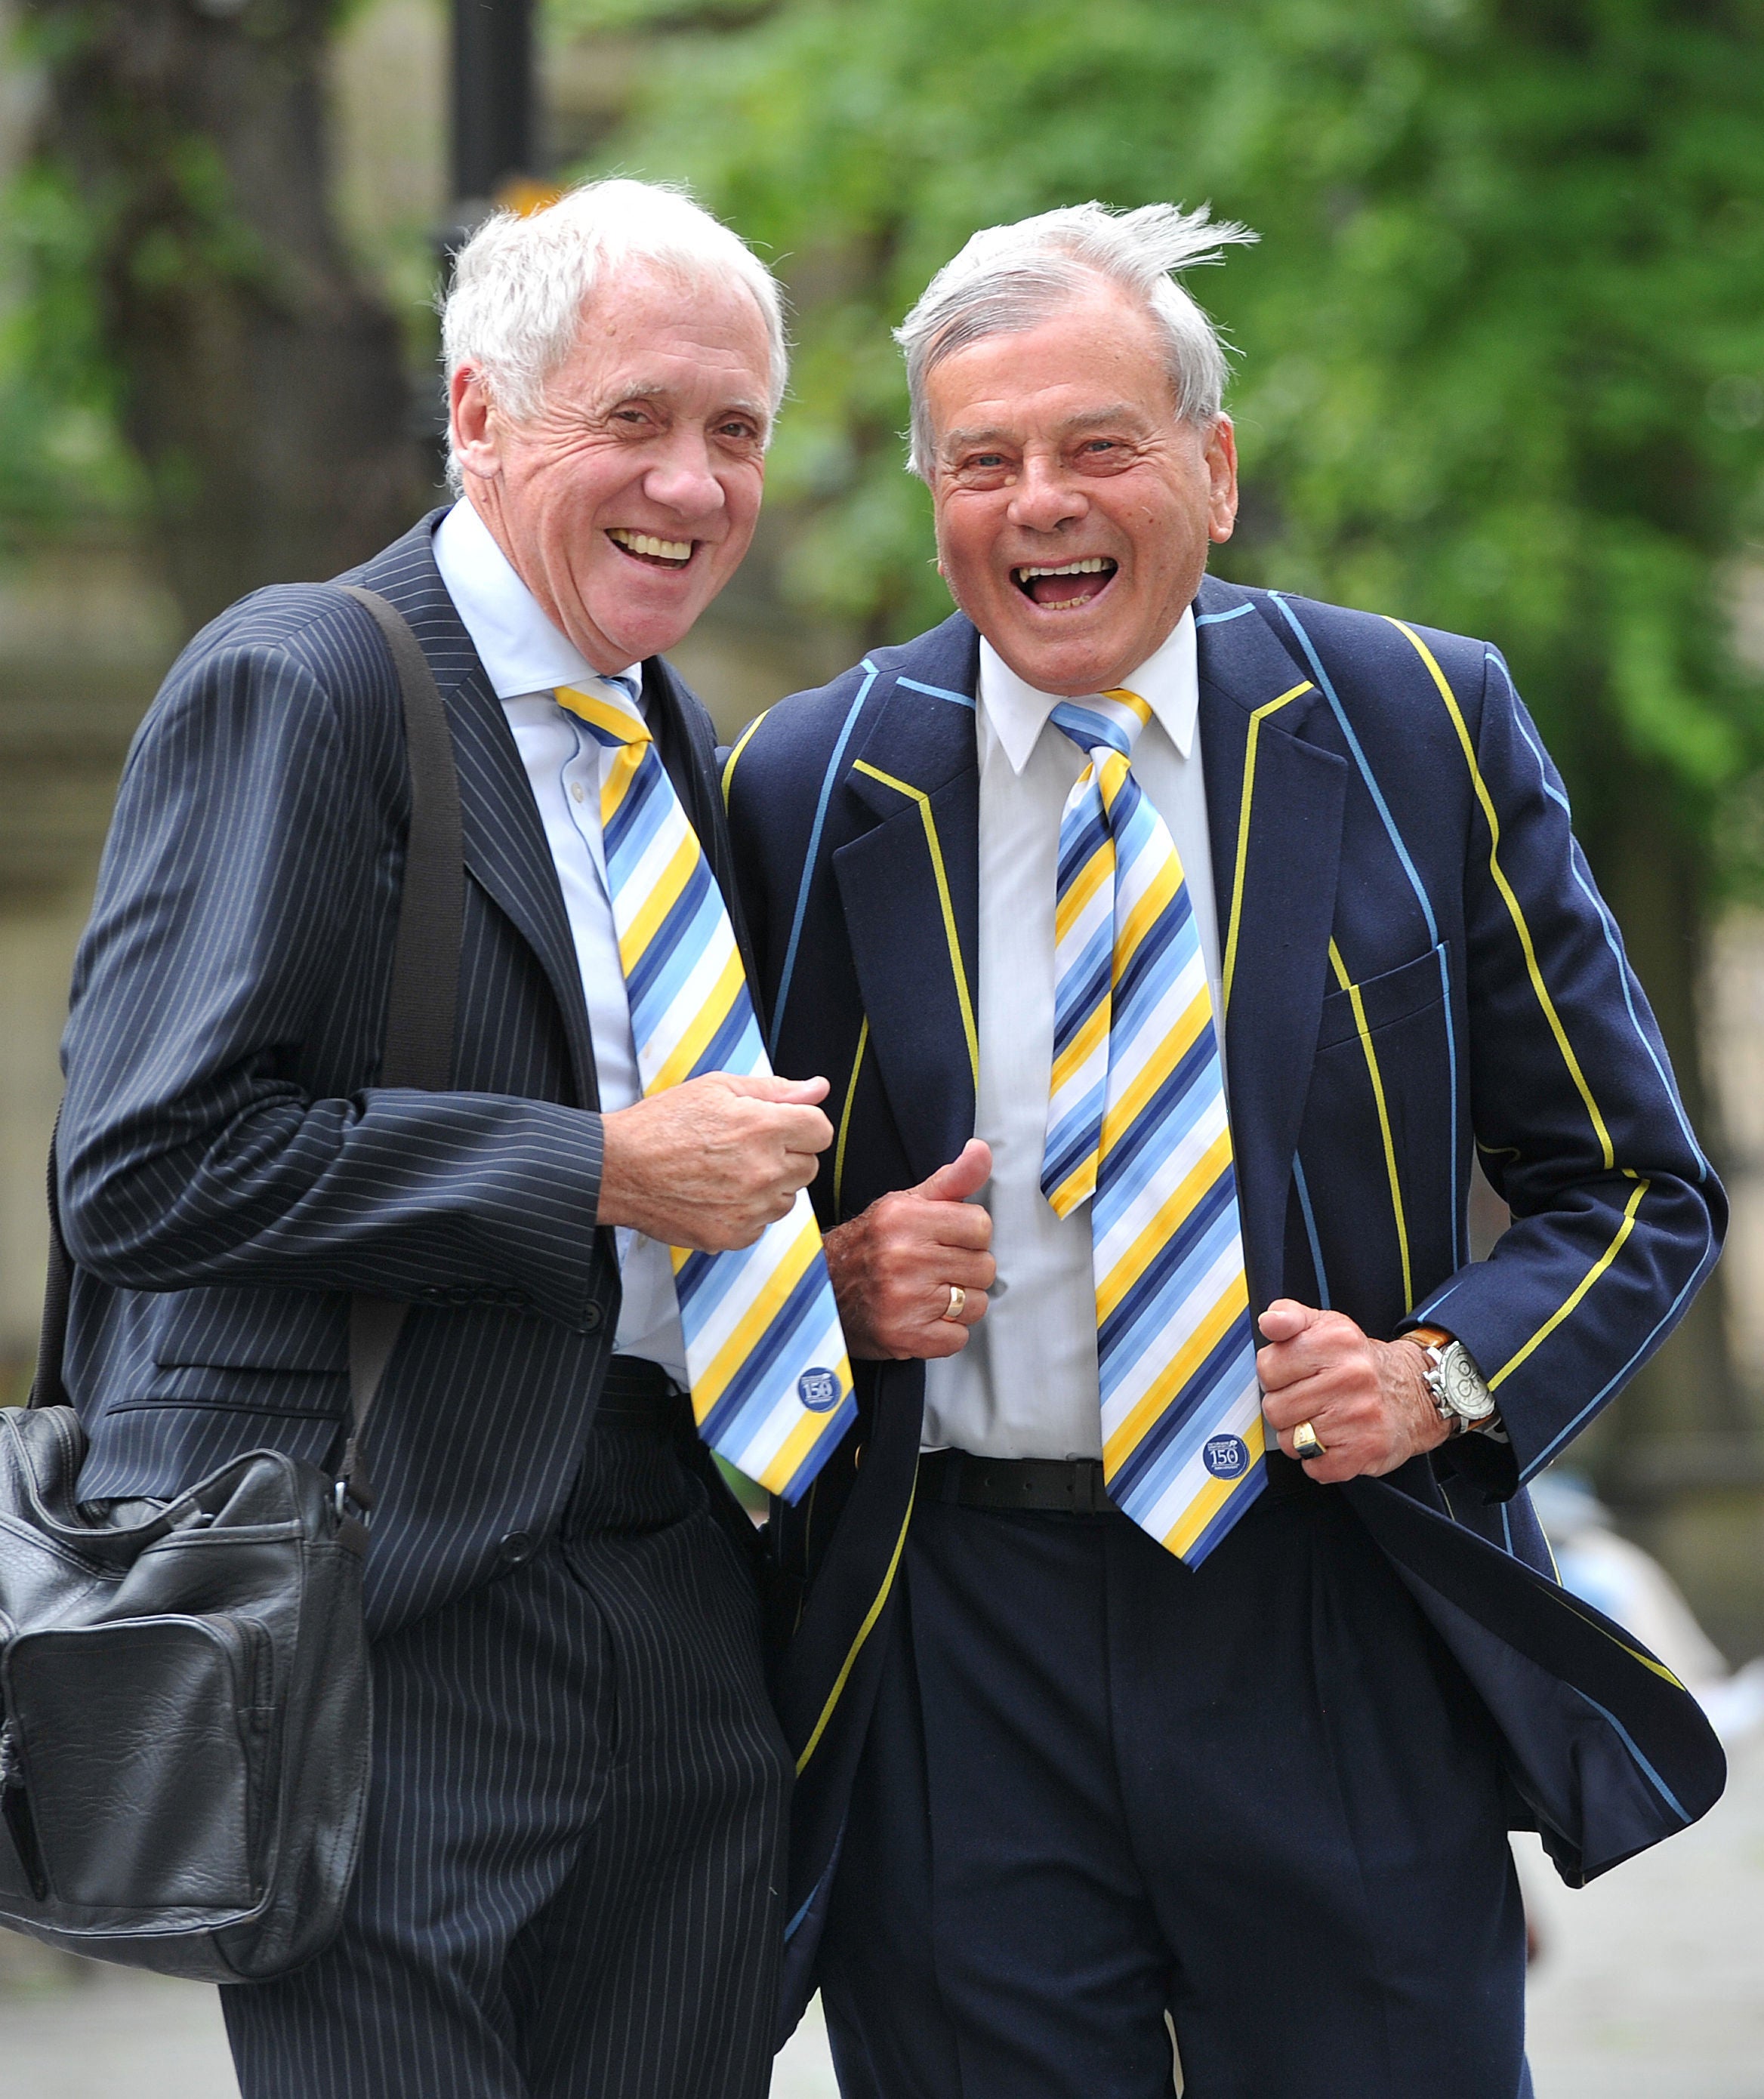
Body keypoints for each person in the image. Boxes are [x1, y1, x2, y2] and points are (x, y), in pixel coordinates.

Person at [723, 202, 1728, 2098]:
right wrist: (830, 1285)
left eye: (1097, 445)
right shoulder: (816, 769)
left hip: (1328, 1607)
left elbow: (1631, 1187)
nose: (1039, 503)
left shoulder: (1422, 718)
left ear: (1212, 468)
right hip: (959, 1640)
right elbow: (727, 1217)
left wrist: (1437, 1375)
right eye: (982, 461)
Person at [57, 178, 854, 2099]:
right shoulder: (306, 676)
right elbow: (145, 1166)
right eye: (638, 419)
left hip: (677, 1600)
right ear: (482, 418)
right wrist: (595, 1170)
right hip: (386, 1618)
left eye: (735, 431)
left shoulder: (668, 727)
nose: (694, 483)